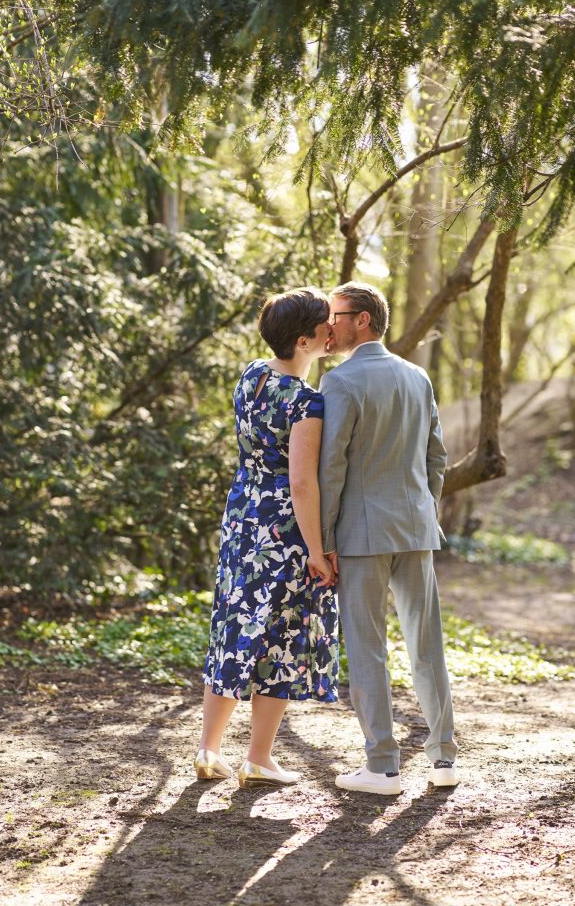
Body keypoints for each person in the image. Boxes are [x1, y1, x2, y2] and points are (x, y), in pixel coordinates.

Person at [319, 281, 457, 795]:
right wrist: (423, 508)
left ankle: (382, 767)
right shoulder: (416, 376)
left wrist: (325, 536)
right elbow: (436, 457)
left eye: (335, 314)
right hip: (416, 529)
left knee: (368, 647)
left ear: (363, 320)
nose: (328, 323)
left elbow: (332, 466)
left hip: (360, 535)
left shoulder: (340, 382)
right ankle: (443, 760)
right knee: (427, 645)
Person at [197, 287, 339, 789]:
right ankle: (258, 757)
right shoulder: (306, 402)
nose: (333, 330)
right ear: (305, 340)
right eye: (326, 325)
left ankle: (209, 750)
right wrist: (318, 551)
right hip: (282, 528)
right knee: (278, 638)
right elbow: (301, 483)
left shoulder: (252, 375)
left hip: (242, 518)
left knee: (234, 626)